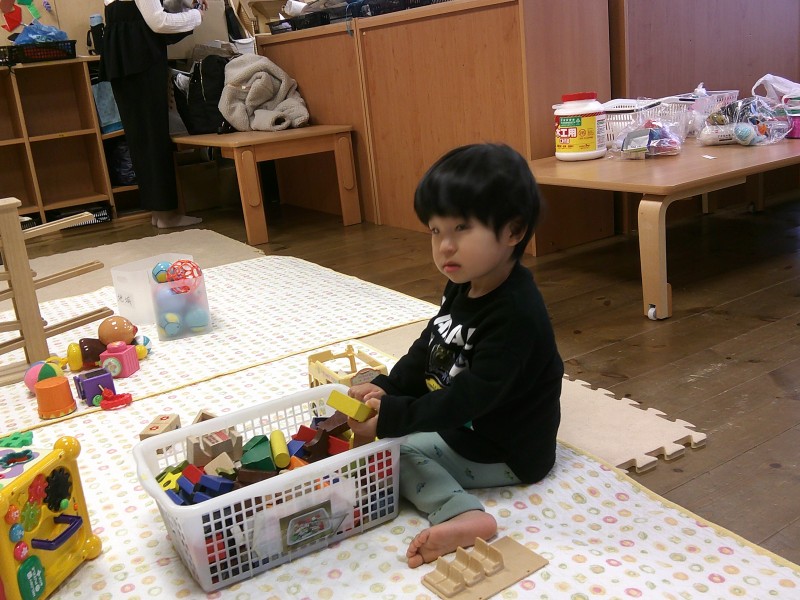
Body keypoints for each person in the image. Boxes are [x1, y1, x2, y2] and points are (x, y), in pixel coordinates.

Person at [347, 143, 563, 568]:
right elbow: (430, 345)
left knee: (395, 454)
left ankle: (461, 513)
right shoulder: (464, 282)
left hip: (505, 450)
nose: (444, 246)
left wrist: (395, 417)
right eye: (435, 231)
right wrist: (388, 388)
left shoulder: (516, 313)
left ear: (513, 231)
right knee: (389, 439)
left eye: (461, 228)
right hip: (465, 427)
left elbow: (472, 397)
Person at [100, 0, 206, 228]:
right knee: (154, 135)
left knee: (140, 137)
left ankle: (158, 212)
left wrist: (189, 4)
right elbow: (159, 21)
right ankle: (167, 215)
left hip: (123, 57)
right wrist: (196, 15)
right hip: (142, 58)